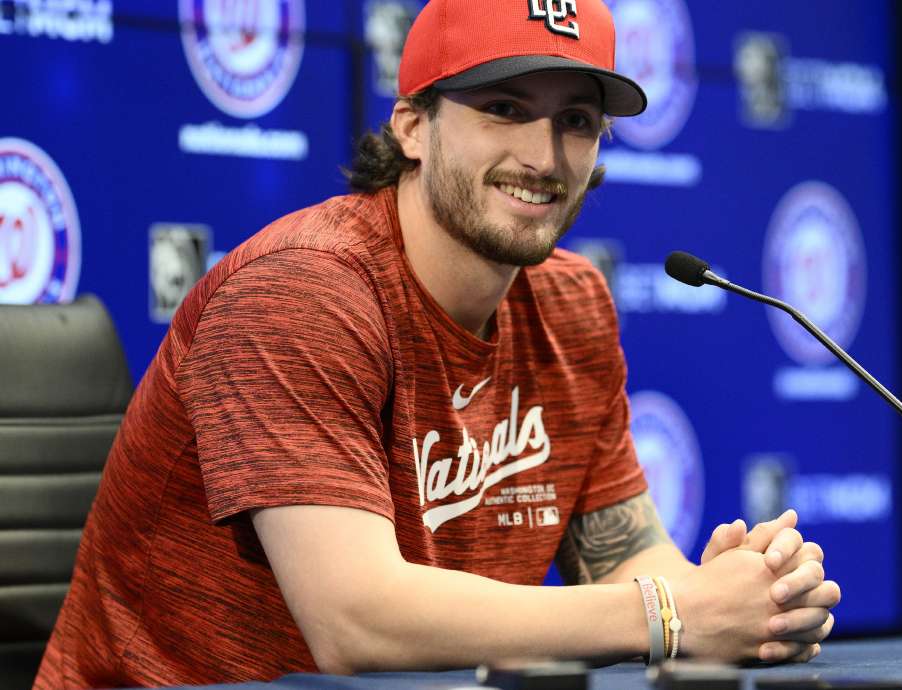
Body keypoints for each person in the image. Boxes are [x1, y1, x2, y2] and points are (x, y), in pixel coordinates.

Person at [34, 1, 840, 687]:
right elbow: (356, 624)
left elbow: (623, 559)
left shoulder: (573, 302)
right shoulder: (300, 293)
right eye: (503, 109)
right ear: (413, 126)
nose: (543, 155)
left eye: (576, 121)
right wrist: (671, 616)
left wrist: (746, 599)